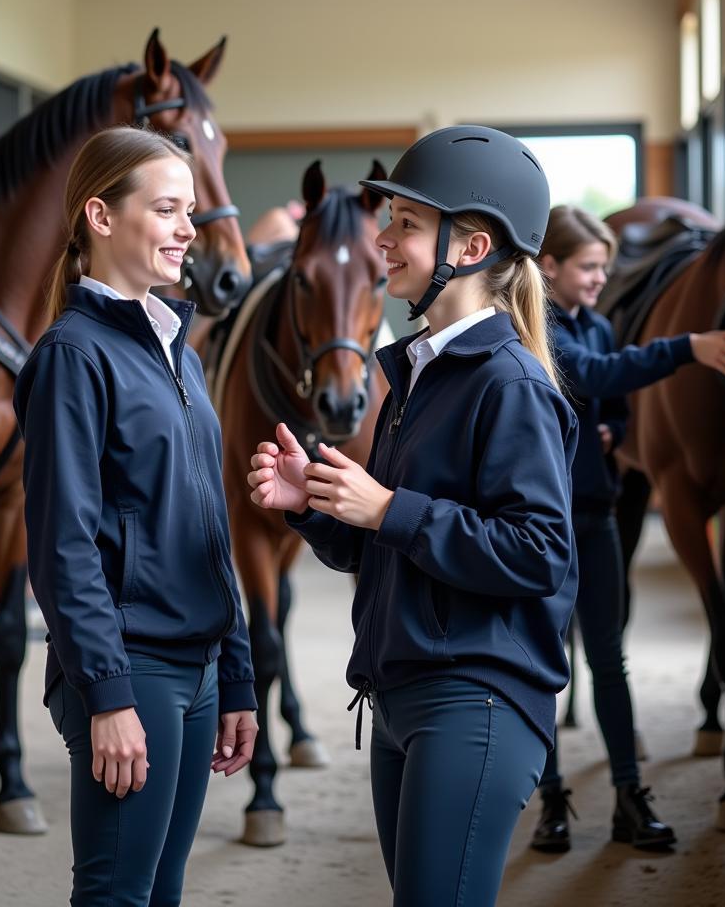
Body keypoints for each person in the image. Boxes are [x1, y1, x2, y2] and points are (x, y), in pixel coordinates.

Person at [247, 126, 578, 907]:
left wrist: (390, 506)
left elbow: (540, 553)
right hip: (401, 698)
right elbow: (391, 549)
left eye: (404, 223)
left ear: (469, 247)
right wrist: (320, 508)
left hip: (475, 701)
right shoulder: (420, 376)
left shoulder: (509, 385)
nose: (384, 239)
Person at [14, 126, 258, 907]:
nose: (191, 229)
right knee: (118, 893)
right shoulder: (72, 356)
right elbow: (63, 546)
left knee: (162, 891)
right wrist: (109, 695)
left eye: (190, 210)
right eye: (168, 210)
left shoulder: (178, 350)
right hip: (134, 667)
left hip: (199, 665)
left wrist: (240, 672)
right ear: (101, 215)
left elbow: (211, 528)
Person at [530, 205, 725, 853]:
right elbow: (594, 375)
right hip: (545, 525)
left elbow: (617, 407)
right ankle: (551, 800)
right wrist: (689, 348)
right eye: (590, 268)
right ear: (549, 268)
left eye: (605, 267)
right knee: (546, 666)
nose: (600, 279)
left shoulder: (596, 323)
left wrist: (610, 432)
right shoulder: (536, 326)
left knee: (610, 660)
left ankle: (628, 793)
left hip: (594, 515)